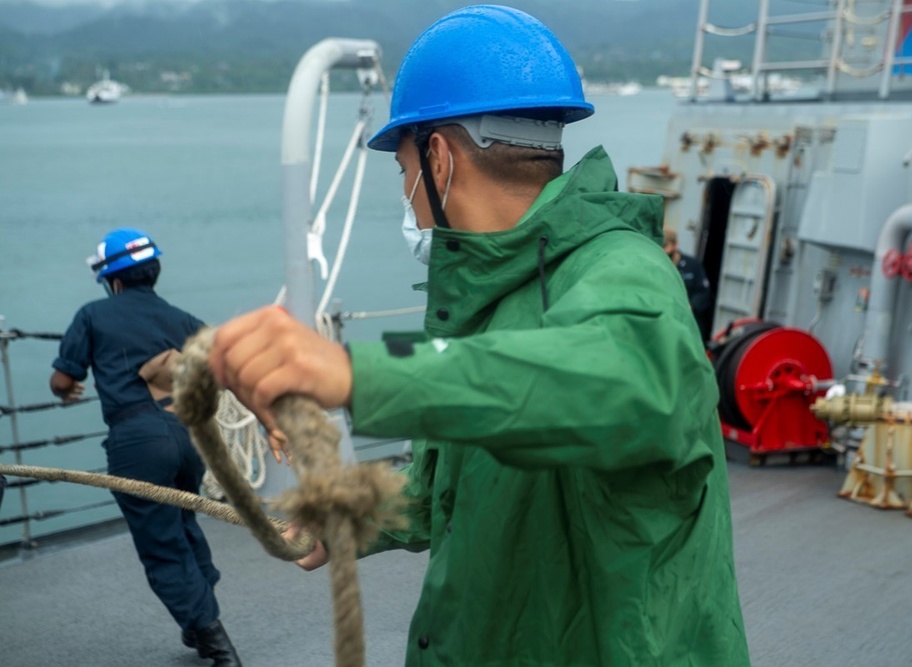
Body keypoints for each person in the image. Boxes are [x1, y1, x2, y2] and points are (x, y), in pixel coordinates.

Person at [209, 5, 749, 665]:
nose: (407, 195)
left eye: (402, 170)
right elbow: (452, 489)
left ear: (437, 160)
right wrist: (353, 515)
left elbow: (623, 381)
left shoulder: (625, 274)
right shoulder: (493, 300)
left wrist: (356, 371)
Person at [49, 228, 241, 667]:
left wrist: (66, 388)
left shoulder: (92, 315)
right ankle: (198, 619)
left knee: (161, 544)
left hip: (137, 442)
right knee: (184, 521)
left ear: (112, 280)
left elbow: (64, 378)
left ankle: (217, 645)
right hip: (188, 436)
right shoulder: (182, 319)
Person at [663, 226, 714, 343]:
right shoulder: (658, 264)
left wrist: (690, 307)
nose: (663, 251)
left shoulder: (692, 265)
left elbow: (704, 292)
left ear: (675, 245)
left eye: (665, 246)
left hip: (689, 321)